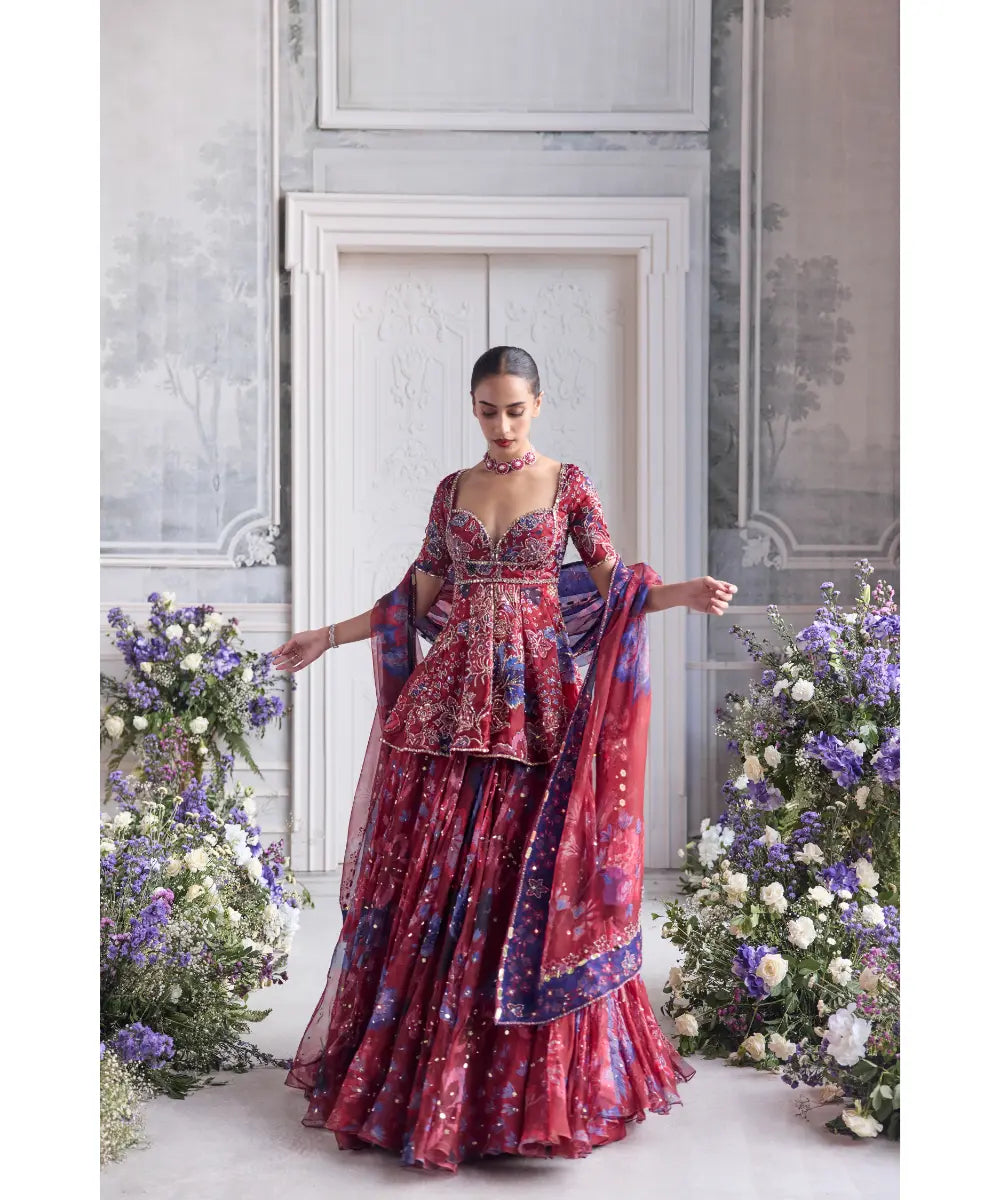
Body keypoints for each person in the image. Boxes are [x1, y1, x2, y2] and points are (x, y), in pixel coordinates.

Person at [271, 345, 737, 1174]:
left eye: (515, 409)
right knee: (437, 875)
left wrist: (683, 596)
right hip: (452, 704)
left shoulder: (568, 485)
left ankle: (533, 1093)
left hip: (537, 707)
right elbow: (411, 599)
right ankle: (428, 1083)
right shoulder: (452, 490)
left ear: (539, 403)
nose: (502, 424)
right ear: (473, 407)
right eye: (488, 410)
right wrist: (325, 636)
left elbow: (615, 584)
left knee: (529, 873)